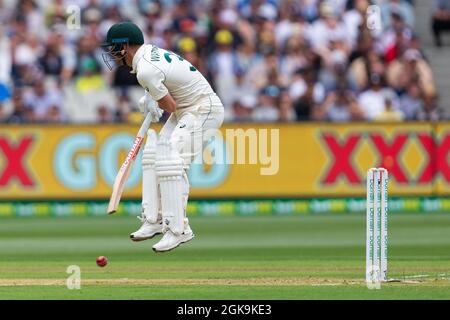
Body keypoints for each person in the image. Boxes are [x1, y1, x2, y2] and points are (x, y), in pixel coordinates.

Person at [101, 22, 224, 252]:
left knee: (172, 161)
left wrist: (156, 101)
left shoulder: (145, 69)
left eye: (113, 48)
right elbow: (166, 88)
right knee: (154, 154)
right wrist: (151, 98)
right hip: (186, 109)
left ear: (124, 46)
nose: (110, 53)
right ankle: (153, 219)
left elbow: (169, 104)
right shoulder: (147, 55)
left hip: (203, 109)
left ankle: (178, 229)